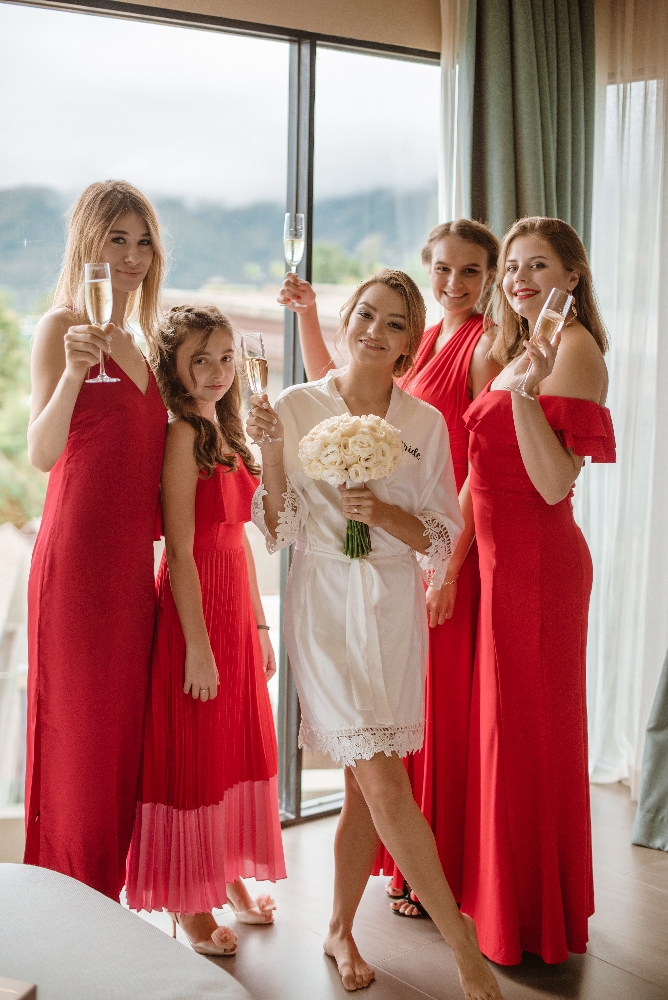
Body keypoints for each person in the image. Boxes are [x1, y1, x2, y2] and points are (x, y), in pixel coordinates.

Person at [248, 269, 503, 999]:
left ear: (408, 343)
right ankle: (463, 946)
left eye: (394, 324)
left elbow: (443, 535)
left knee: (368, 788)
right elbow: (279, 528)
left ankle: (338, 928)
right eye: (365, 314)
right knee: (385, 778)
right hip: (325, 603)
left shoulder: (424, 424)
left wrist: (384, 514)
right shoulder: (295, 406)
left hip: (392, 608)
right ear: (346, 319)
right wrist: (271, 451)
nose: (374, 330)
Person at [461, 216, 615, 965]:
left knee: (528, 740)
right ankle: (507, 908)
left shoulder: (573, 350)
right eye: (513, 266)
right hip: (501, 566)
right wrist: (449, 557)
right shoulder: (521, 348)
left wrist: (523, 394)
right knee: (506, 738)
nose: (519, 278)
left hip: (539, 569)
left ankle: (532, 919)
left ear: (571, 276)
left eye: (538, 265)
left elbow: (553, 484)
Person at [126, 305, 285, 955]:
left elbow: (241, 539)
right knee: (195, 749)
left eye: (224, 358)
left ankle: (223, 871)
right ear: (174, 367)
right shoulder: (180, 435)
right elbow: (181, 549)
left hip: (234, 609)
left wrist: (259, 623)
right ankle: (188, 902)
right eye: (201, 360)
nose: (217, 371)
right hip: (194, 610)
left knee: (228, 749)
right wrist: (196, 645)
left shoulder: (226, 430)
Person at [25, 180, 168, 900]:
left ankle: (102, 911)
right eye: (117, 239)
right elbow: (41, 453)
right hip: (78, 566)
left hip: (131, 575)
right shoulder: (63, 327)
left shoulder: (138, 341)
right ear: (87, 242)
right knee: (78, 748)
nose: (133, 256)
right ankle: (68, 912)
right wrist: (75, 371)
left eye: (143, 242)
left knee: (116, 750)